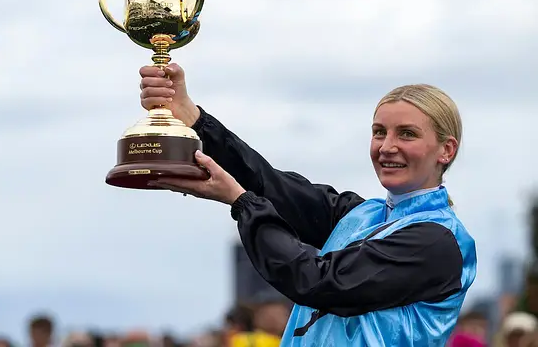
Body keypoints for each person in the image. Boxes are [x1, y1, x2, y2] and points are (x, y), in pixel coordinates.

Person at [139, 64, 477, 346]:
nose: (387, 146)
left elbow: (317, 281)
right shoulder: (362, 215)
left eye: (406, 134)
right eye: (379, 132)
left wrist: (241, 203)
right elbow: (270, 185)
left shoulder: (437, 240)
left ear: (446, 150)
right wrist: (193, 118)